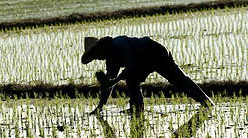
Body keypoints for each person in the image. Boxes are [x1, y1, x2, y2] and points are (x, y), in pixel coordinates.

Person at [81, 35, 215, 114]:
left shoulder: (118, 44)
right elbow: (109, 83)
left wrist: (115, 80)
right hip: (151, 54)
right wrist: (100, 106)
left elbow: (131, 65)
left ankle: (137, 107)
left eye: (94, 54)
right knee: (134, 79)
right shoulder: (111, 60)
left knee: (175, 78)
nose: (96, 58)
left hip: (153, 51)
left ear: (101, 47)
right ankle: (206, 101)